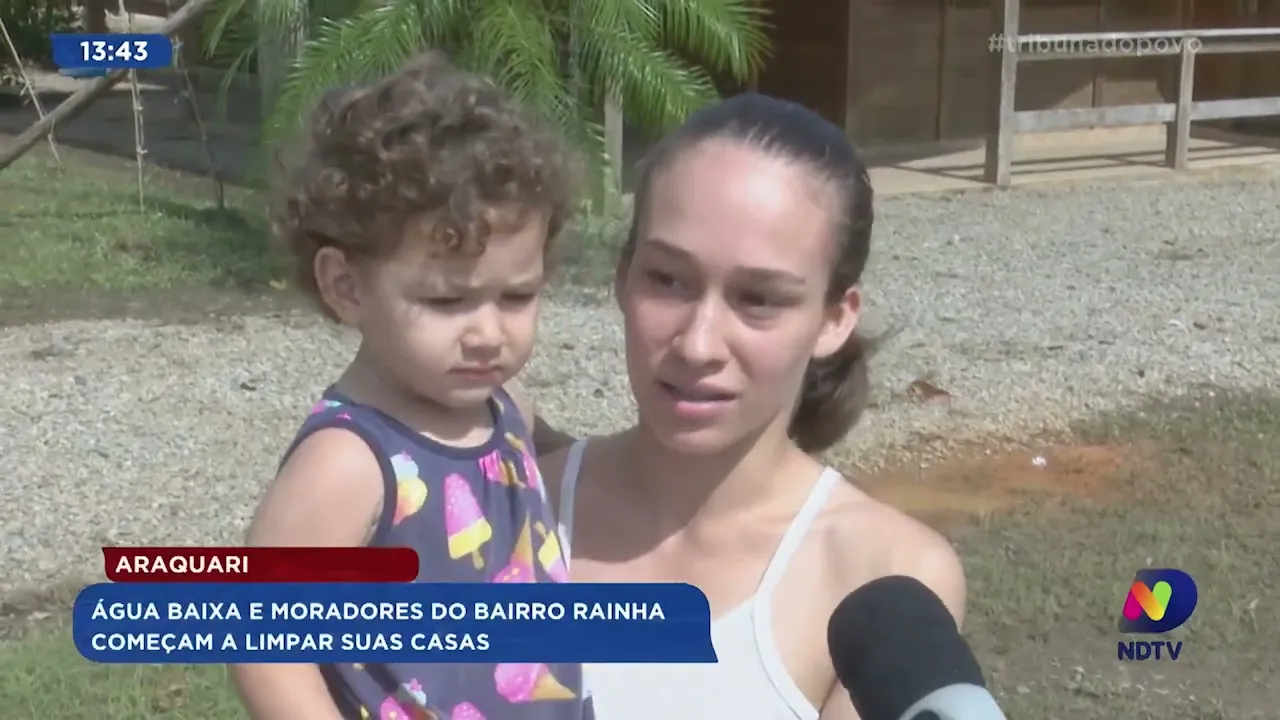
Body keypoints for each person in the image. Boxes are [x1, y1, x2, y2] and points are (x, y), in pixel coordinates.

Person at [534, 94, 966, 719]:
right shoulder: (505, 513)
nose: (698, 344)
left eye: (758, 298)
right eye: (668, 280)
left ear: (834, 319)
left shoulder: (885, 577)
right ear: (623, 278)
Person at [231, 53, 592, 720]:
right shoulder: (350, 463)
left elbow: (578, 477)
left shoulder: (507, 412)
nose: (488, 333)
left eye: (517, 296)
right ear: (346, 286)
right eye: (447, 301)